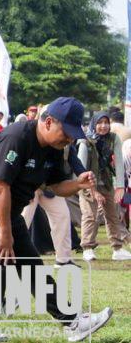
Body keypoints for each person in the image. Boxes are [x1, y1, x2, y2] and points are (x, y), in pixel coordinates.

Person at [0, 97, 114, 343]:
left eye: (73, 134)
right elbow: (0, 186)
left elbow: (56, 187)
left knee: (30, 264)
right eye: (66, 132)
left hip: (5, 207)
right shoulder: (17, 137)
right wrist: (5, 233)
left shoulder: (54, 148)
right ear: (48, 122)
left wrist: (78, 184)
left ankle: (73, 323)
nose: (69, 139)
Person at [76, 111, 129, 261]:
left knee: (113, 215)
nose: (103, 126)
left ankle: (117, 248)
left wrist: (120, 186)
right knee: (90, 215)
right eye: (99, 123)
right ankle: (87, 248)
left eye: (106, 122)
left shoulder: (113, 138)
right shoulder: (85, 142)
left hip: (105, 182)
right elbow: (80, 170)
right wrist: (93, 191)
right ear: (94, 124)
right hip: (86, 183)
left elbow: (119, 162)